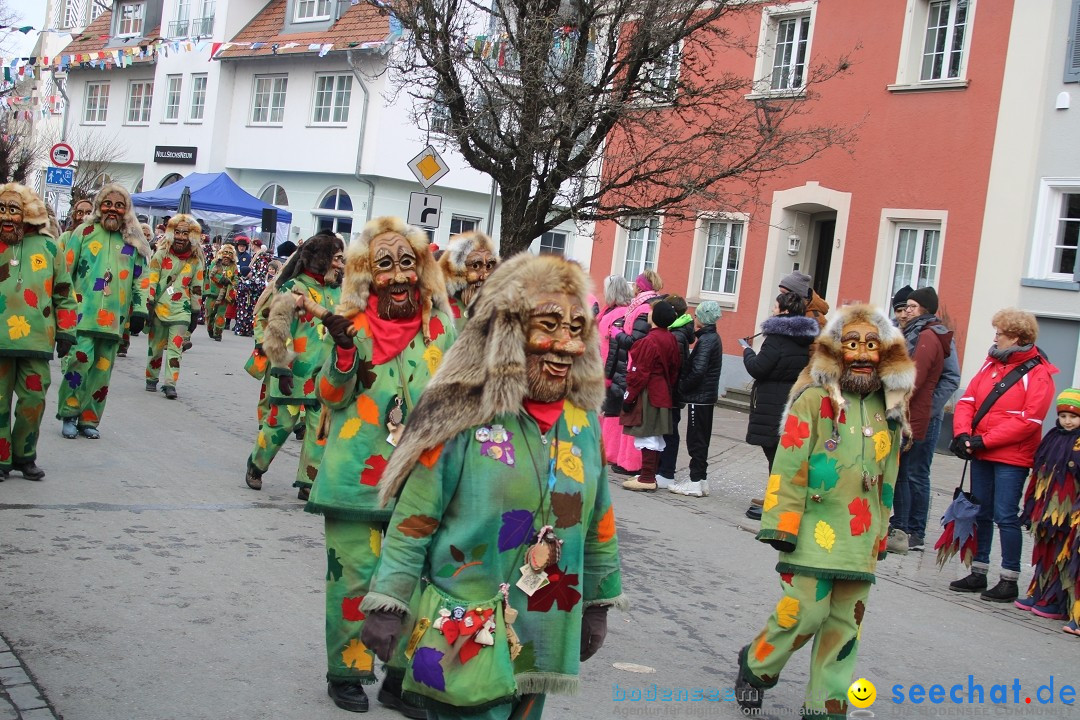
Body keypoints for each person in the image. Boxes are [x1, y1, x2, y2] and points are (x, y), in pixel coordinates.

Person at [359, 253, 625, 720]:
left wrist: (599, 601)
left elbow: (599, 522)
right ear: (510, 332)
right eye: (549, 325)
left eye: (577, 328)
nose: (565, 345)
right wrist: (390, 600)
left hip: (546, 623)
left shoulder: (583, 428)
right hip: (466, 630)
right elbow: (414, 521)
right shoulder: (461, 419)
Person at [305, 216, 456, 716]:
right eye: (383, 264)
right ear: (367, 273)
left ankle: (400, 677)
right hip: (356, 479)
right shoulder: (351, 322)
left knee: (414, 583)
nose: (396, 276)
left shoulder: (441, 325)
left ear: (423, 269)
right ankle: (346, 671)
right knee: (352, 580)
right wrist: (344, 351)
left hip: (423, 479)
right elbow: (329, 394)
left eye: (406, 263)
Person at [735, 304, 912, 719]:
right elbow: (789, 463)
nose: (864, 354)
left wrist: (882, 533)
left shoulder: (889, 411)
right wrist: (782, 522)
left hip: (861, 536)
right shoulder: (813, 400)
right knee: (804, 613)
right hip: (813, 529)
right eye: (853, 344)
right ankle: (757, 666)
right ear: (835, 350)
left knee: (845, 623)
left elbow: (888, 479)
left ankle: (827, 705)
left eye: (873, 345)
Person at [949, 309, 1057, 602]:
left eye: (1000, 333)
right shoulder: (991, 363)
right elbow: (968, 400)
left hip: (1012, 456)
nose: (995, 337)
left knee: (1005, 515)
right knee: (981, 511)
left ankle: (1009, 578)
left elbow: (1030, 420)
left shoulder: (1039, 373)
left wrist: (983, 440)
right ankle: (979, 571)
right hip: (982, 449)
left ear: (1017, 337)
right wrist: (962, 435)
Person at [245, 233, 344, 498]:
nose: (340, 265)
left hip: (325, 374)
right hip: (292, 370)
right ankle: (256, 464)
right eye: (336, 259)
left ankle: (308, 481)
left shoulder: (339, 292)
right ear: (321, 259)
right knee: (281, 424)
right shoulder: (293, 287)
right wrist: (281, 367)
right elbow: (278, 329)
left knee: (319, 428)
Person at [57, 184, 151, 440]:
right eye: (108, 203)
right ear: (99, 206)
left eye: (119, 205)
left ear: (126, 210)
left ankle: (89, 419)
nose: (113, 209)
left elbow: (141, 279)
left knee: (102, 372)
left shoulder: (133, 239)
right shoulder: (84, 232)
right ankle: (69, 413)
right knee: (78, 365)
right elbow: (64, 273)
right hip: (81, 316)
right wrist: (61, 312)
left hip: (113, 321)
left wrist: (140, 310)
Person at [0, 183, 78, 480]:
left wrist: (67, 331)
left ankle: (24, 454)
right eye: (2, 209)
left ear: (28, 213)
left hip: (37, 338)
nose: (7, 217)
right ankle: (1, 456)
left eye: (14, 210)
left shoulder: (49, 247)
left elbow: (63, 292)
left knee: (34, 396)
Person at [887, 286, 955, 554]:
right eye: (902, 308)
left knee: (913, 473)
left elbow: (923, 377)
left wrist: (930, 408)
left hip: (920, 413)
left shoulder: (928, 335)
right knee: (904, 471)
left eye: (911, 307)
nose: (906, 311)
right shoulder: (908, 332)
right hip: (909, 410)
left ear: (923, 309)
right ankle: (902, 525)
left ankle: (912, 529)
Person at [741, 292, 820, 519]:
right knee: (781, 453)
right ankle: (775, 497)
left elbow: (758, 367)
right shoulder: (803, 338)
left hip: (771, 399)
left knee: (775, 454)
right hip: (789, 396)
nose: (773, 310)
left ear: (784, 311)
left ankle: (777, 503)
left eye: (775, 307)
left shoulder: (776, 338)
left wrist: (747, 352)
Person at [1016, 388, 1080, 629]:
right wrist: (1031, 505)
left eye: (1073, 417)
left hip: (1068, 510)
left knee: (1064, 556)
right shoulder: (1052, 437)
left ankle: (1057, 599)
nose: (1068, 421)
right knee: (1045, 551)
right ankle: (1039, 591)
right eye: (1063, 416)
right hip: (1046, 510)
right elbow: (1038, 473)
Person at [620, 299, 682, 492]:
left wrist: (629, 397)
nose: (647, 313)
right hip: (662, 390)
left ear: (655, 317)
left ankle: (647, 477)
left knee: (647, 433)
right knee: (654, 434)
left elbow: (639, 373)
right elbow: (674, 369)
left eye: (651, 311)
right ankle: (649, 474)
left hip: (649, 391)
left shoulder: (649, 341)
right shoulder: (670, 338)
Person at [144, 214, 204, 400]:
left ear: (192, 236)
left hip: (181, 311)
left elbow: (197, 288)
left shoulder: (196, 261)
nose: (180, 237)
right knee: (155, 348)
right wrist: (149, 302)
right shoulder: (161, 254)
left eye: (185, 233)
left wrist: (195, 312)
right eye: (177, 232)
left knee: (175, 349)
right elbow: (151, 279)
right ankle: (151, 378)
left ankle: (170, 383)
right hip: (159, 308)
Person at [668, 300, 724, 497]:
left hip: (700, 398)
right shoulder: (711, 338)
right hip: (705, 397)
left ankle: (694, 481)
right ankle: (700, 479)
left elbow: (698, 370)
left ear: (704, 318)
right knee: (701, 439)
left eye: (697, 315)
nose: (695, 318)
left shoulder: (707, 341)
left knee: (696, 440)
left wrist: (683, 386)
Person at [611, 270, 664, 475]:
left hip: (635, 365)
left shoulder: (644, 308)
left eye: (636, 284)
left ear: (640, 287)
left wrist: (617, 334)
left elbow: (636, 341)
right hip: (631, 363)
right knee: (630, 414)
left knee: (635, 416)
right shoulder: (642, 306)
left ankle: (634, 464)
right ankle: (627, 461)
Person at [656, 295, 694, 489]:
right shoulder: (677, 332)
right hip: (671, 392)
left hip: (672, 392)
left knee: (669, 431)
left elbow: (674, 369)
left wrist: (667, 391)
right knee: (666, 430)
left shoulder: (677, 335)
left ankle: (666, 471)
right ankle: (661, 469)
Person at [598, 275, 634, 468]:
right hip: (606, 368)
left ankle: (610, 452)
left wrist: (608, 374)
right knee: (607, 411)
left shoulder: (618, 314)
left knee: (611, 411)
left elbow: (613, 347)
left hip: (611, 370)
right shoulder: (612, 311)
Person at [243, 258, 283, 427]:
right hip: (277, 344)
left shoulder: (329, 289)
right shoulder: (283, 285)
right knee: (270, 385)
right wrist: (260, 341)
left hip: (306, 349)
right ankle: (264, 419)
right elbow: (261, 315)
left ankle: (301, 422)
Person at [438, 230, 498, 331]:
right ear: (458, 270)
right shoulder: (440, 307)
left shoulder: (497, 309)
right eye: (475, 266)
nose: (484, 276)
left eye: (489, 266)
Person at [233, 241, 273, 337]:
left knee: (249, 313)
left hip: (251, 296)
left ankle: (246, 329)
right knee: (244, 314)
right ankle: (242, 329)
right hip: (246, 299)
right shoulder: (256, 259)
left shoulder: (259, 259)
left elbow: (258, 278)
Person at [203, 244, 239, 341]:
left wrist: (233, 284)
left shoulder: (233, 266)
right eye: (225, 253)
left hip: (224, 295)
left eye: (230, 254)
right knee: (209, 314)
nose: (227, 256)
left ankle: (218, 333)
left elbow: (236, 279)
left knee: (220, 314)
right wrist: (221, 279)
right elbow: (211, 274)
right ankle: (210, 329)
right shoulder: (215, 263)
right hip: (213, 293)